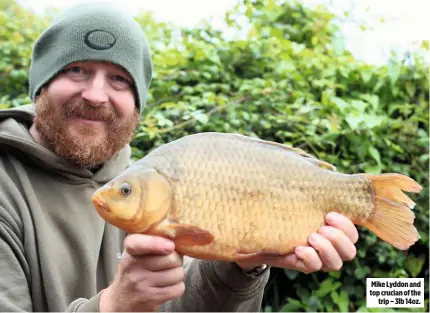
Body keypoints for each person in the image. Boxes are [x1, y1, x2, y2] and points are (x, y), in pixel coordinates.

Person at [0, 2, 359, 312]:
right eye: (76, 69)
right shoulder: (8, 187)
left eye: (119, 79)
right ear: (41, 83)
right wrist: (114, 306)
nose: (96, 95)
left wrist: (240, 265)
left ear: (137, 103)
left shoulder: (145, 185)